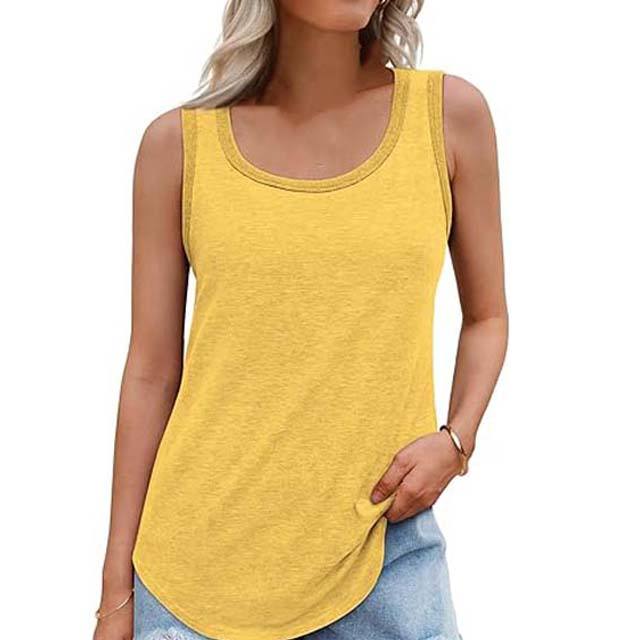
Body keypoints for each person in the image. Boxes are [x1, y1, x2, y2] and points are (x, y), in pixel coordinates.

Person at [93, 1, 508, 639]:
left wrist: (457, 441)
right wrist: (114, 593)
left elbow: (487, 317)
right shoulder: (177, 147)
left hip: (384, 554)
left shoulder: (449, 117)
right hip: (194, 584)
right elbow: (150, 372)